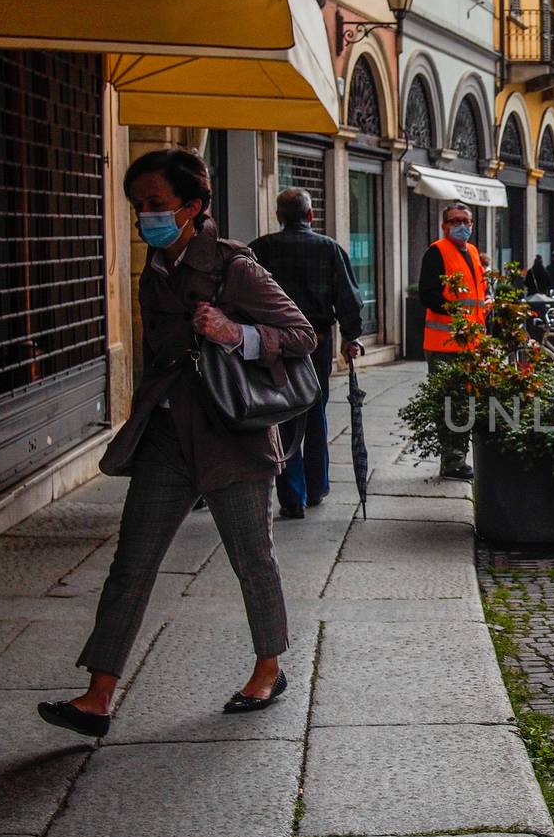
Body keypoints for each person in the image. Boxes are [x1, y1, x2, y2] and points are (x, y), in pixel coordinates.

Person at [37, 148, 316, 738]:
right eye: (138, 206)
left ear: (192, 207)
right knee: (131, 563)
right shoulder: (156, 264)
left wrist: (235, 332)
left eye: (157, 205)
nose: (145, 215)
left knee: (252, 559)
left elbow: (300, 334)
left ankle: (269, 667)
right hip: (167, 436)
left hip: (229, 437)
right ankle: (99, 694)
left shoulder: (235, 266)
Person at [249, 189, 365, 519]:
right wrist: (351, 337)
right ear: (310, 216)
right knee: (316, 410)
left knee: (283, 414)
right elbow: (349, 298)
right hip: (316, 340)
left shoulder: (261, 248)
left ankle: (292, 497)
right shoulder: (329, 249)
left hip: (275, 345)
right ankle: (317, 488)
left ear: (279, 216)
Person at [418, 203, 487, 481]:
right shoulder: (436, 252)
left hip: (472, 344)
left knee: (468, 401)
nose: (463, 226)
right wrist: (456, 313)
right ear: (444, 226)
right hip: (444, 344)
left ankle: (459, 457)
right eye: (456, 221)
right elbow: (428, 295)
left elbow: (477, 295)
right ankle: (452, 461)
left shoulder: (471, 252)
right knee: (452, 402)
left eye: (467, 221)